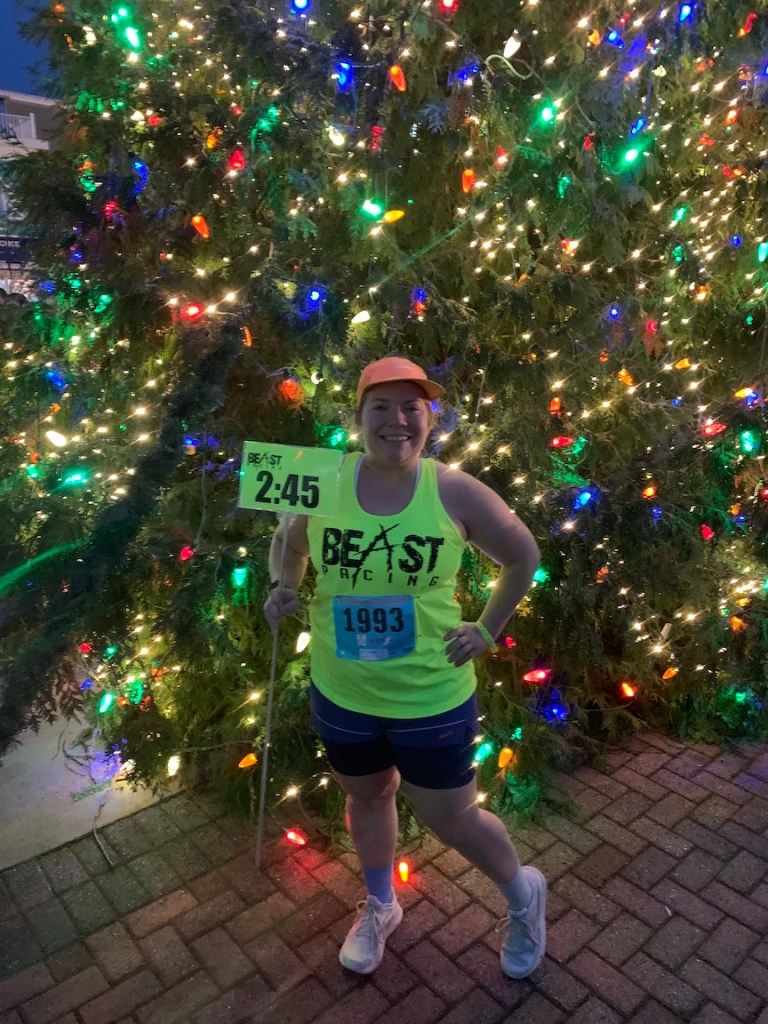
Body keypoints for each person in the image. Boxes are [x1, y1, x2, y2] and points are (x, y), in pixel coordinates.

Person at [263, 356, 544, 979]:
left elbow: (523, 556)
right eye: (381, 407)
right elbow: (289, 544)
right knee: (367, 798)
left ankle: (524, 897)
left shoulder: (452, 490)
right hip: (343, 690)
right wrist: (283, 586)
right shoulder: (320, 479)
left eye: (412, 407)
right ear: (358, 416)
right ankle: (381, 904)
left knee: (453, 817)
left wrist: (487, 630)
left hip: (430, 696)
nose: (398, 421)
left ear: (430, 417)